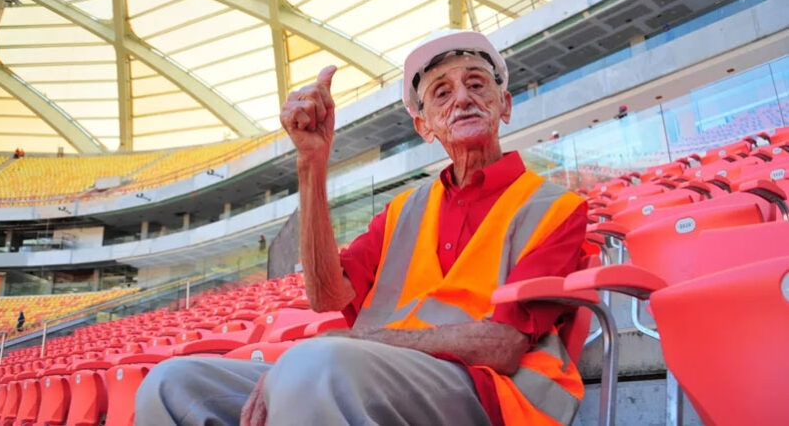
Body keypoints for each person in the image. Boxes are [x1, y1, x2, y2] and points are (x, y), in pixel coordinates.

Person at [136, 30, 588, 426]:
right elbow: (327, 296)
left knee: (316, 364)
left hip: (487, 390)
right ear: (424, 125)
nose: (463, 98)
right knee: (171, 384)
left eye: (476, 84)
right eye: (442, 93)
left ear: (504, 105)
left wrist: (360, 339)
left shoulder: (556, 207)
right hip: (367, 371)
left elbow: (503, 346)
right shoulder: (402, 210)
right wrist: (311, 163)